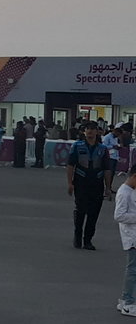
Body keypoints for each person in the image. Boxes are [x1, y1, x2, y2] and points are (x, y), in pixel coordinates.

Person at [68, 121, 114, 250]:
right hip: (81, 182)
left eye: (93, 129)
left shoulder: (103, 149)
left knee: (93, 213)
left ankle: (88, 240)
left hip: (96, 183)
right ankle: (77, 236)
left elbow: (107, 169)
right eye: (88, 129)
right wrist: (69, 183)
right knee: (81, 210)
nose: (90, 131)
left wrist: (108, 187)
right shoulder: (77, 146)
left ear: (97, 132)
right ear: (84, 131)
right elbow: (70, 165)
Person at [113, 165, 136, 316]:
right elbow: (119, 215)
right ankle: (128, 302)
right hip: (131, 236)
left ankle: (125, 299)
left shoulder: (131, 191)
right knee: (132, 270)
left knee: (133, 269)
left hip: (133, 234)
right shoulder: (124, 192)